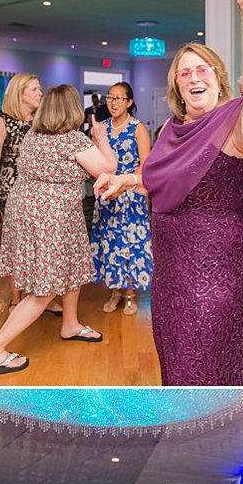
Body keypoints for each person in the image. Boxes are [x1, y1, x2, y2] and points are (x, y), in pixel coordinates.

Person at [95, 0, 243, 386]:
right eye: (184, 73)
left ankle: (212, 436)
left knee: (207, 357)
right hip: (171, 272)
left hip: (218, 267)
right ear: (176, 86)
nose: (194, 77)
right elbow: (164, 181)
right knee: (178, 356)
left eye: (203, 70)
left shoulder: (235, 124)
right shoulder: (170, 131)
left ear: (217, 76)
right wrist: (125, 180)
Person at [0, 84, 116, 375]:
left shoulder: (32, 135)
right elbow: (108, 169)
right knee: (44, 288)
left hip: (29, 210)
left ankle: (70, 324)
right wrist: (101, 138)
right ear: (72, 110)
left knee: (71, 268)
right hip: (51, 216)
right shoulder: (72, 141)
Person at [92, 81, 153, 316]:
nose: (113, 102)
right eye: (110, 97)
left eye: (118, 98)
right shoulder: (101, 128)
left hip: (130, 195)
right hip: (107, 195)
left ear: (129, 102)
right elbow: (95, 161)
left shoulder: (138, 128)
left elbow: (145, 167)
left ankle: (130, 294)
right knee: (110, 245)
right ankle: (115, 292)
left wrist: (124, 183)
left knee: (129, 246)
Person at [0, 73, 42, 241]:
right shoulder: (3, 121)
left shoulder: (41, 121)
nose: (40, 93)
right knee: (17, 245)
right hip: (11, 191)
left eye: (40, 89)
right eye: (34, 89)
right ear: (20, 94)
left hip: (39, 192)